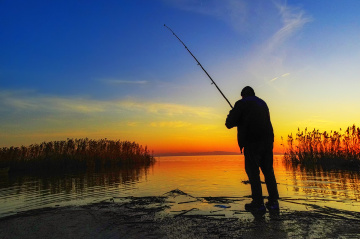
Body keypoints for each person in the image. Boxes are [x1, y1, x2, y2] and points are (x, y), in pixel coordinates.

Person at [225, 86, 279, 213]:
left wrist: (234, 112)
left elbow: (229, 123)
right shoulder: (263, 103)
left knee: (253, 173)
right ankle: (274, 203)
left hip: (252, 143)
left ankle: (258, 204)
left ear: (243, 95)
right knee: (268, 172)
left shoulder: (241, 103)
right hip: (267, 142)